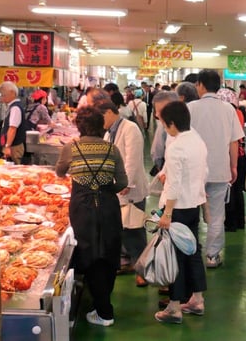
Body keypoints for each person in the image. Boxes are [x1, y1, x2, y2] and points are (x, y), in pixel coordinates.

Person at [55, 106, 128, 326]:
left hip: (82, 207)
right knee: (108, 251)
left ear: (79, 126)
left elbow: (59, 172)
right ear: (101, 125)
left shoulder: (71, 147)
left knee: (89, 253)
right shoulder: (112, 149)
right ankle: (101, 304)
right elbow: (123, 182)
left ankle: (104, 312)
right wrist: (105, 190)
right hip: (108, 206)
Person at [154, 100, 208, 324]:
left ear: (172, 124)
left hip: (177, 210)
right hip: (193, 206)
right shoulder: (197, 140)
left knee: (174, 258)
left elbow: (174, 184)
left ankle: (174, 307)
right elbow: (203, 173)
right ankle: (197, 299)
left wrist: (167, 214)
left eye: (165, 124)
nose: (165, 128)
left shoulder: (177, 147)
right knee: (193, 253)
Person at [187, 69, 245, 268]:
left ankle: (189, 254)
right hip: (220, 171)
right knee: (217, 215)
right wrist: (233, 167)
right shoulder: (229, 109)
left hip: (193, 171)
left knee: (189, 212)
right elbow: (234, 142)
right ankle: (212, 256)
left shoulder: (190, 108)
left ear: (201, 85)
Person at [97, 100, 149, 288]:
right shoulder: (108, 133)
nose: (100, 121)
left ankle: (142, 270)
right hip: (116, 188)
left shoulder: (130, 129)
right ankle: (127, 262)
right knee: (122, 229)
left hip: (130, 189)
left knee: (134, 230)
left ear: (111, 112)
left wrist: (125, 182)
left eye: (101, 116)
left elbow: (133, 159)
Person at [217, 88, 246, 232]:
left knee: (230, 191)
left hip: (232, 155)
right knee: (238, 190)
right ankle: (240, 222)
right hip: (241, 156)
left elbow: (232, 140)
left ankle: (231, 223)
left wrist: (232, 165)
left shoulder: (230, 114)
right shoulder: (239, 113)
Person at [0, 81, 26, 164]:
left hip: (14, 147)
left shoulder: (15, 108)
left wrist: (7, 146)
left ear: (12, 93)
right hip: (12, 146)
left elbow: (12, 129)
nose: (2, 97)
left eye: (4, 95)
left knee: (14, 172)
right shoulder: (12, 107)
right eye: (1, 95)